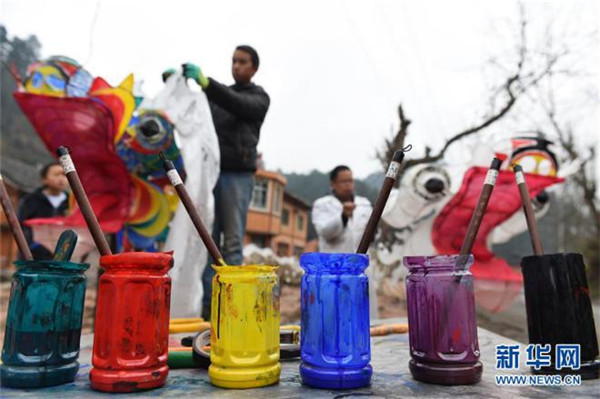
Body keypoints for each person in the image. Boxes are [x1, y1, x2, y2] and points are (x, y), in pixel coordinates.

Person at [182, 45, 270, 320]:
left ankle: (232, 310)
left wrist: (208, 84)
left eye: (242, 62)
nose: (236, 66)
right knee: (211, 243)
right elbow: (196, 114)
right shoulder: (217, 98)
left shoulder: (258, 97)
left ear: (254, 68)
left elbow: (238, 103)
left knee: (232, 243)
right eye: (233, 61)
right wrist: (178, 86)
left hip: (238, 176)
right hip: (213, 175)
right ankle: (211, 311)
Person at [312, 165, 372, 253]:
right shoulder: (322, 204)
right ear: (333, 184)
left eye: (350, 181)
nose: (348, 184)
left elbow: (372, 232)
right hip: (333, 263)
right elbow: (324, 232)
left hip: (359, 262)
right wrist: (343, 216)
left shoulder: (364, 204)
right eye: (344, 181)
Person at [17, 162, 69, 259]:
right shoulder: (30, 200)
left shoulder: (71, 202)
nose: (61, 179)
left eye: (64, 175)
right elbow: (20, 225)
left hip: (61, 255)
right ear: (44, 179)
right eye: (56, 174)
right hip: (32, 254)